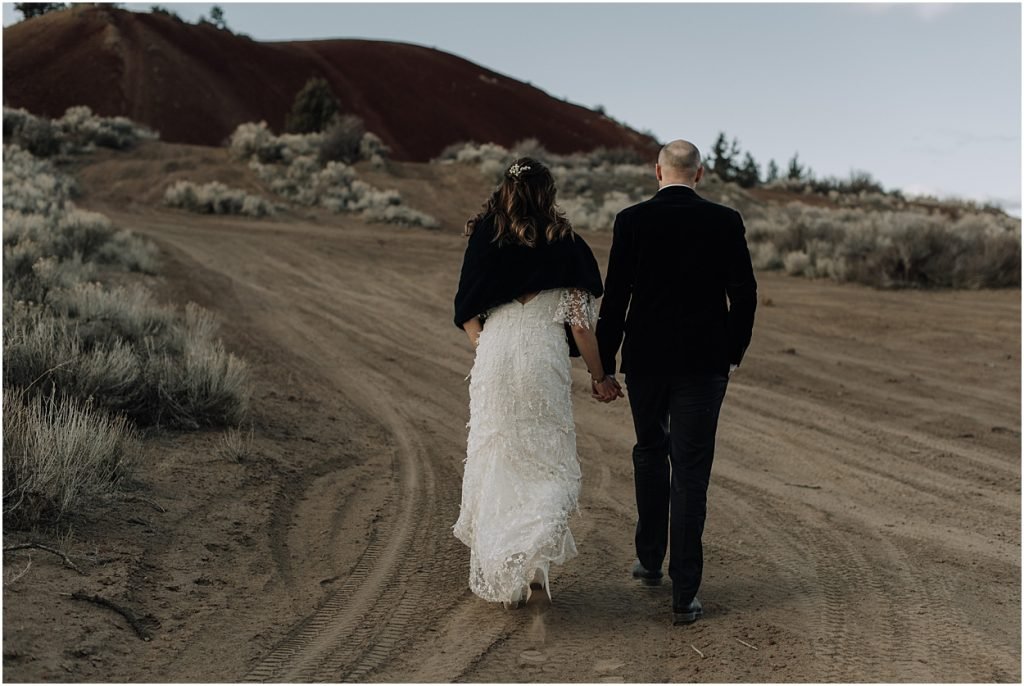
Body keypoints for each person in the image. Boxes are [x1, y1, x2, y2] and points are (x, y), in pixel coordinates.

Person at [595, 139, 757, 625]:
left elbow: (615, 297)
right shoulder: (725, 221)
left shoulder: (631, 220)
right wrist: (730, 353)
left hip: (645, 360)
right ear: (700, 174)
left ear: (658, 172)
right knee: (690, 473)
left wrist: (603, 364)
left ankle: (649, 560)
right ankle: (684, 594)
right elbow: (745, 294)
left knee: (649, 449)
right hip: (703, 365)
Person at [453, 157, 619, 610]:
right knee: (545, 459)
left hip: (496, 353)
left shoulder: (486, 240)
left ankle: (509, 567)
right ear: (549, 194)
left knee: (500, 456)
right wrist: (600, 377)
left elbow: (466, 311)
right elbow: (581, 326)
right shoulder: (567, 244)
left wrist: (486, 349)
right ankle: (534, 563)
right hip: (541, 355)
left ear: (505, 191)